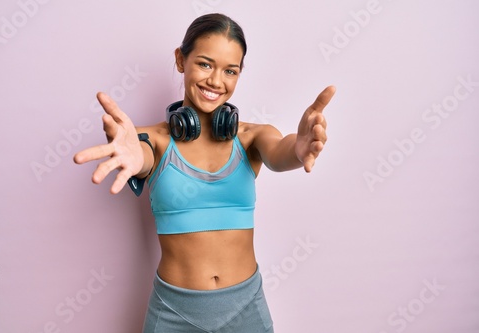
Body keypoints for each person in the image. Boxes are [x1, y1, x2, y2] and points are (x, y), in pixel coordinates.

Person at [74, 13, 335, 333]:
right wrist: (132, 152)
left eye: (230, 71)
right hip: (173, 312)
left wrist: (300, 147)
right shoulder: (152, 141)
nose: (216, 81)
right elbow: (140, 158)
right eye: (205, 64)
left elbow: (281, 152)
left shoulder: (252, 136)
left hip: (246, 309)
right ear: (181, 60)